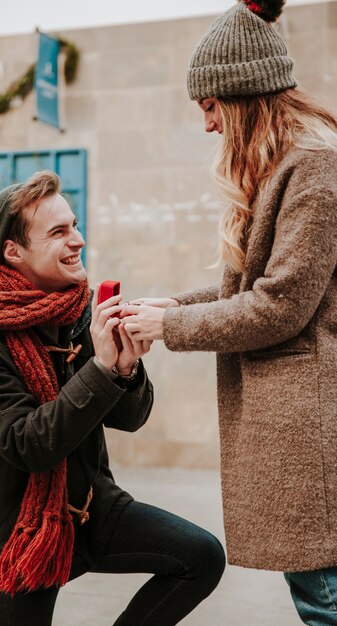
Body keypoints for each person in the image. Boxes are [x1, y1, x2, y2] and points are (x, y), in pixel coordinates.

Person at [0, 170, 225, 626]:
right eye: (59, 232)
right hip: (16, 534)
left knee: (200, 558)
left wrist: (125, 367)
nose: (78, 240)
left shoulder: (77, 309)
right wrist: (101, 369)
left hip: (90, 509)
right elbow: (29, 444)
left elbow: (131, 418)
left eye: (76, 225)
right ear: (13, 251)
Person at [120, 0, 337, 623]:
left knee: (323, 597)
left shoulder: (314, 166)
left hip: (307, 428)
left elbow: (279, 306)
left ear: (242, 96)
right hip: (291, 425)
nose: (207, 124)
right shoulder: (284, 168)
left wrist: (170, 327)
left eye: (210, 106)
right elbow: (246, 286)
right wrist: (172, 305)